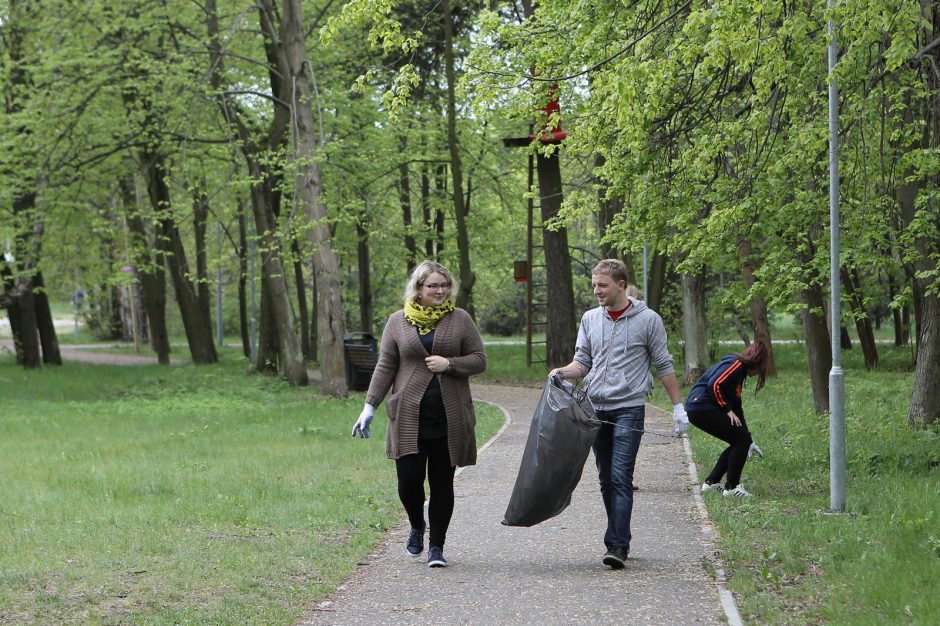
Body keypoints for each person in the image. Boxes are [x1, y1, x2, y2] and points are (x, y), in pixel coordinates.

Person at [550, 259, 688, 570]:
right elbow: (582, 362)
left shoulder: (649, 320)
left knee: (620, 476)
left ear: (621, 285)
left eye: (603, 285)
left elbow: (663, 364)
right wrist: (561, 373)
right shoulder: (589, 319)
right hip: (595, 408)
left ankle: (616, 544)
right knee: (604, 478)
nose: (596, 291)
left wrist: (678, 406)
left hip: (629, 408)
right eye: (594, 285)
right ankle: (620, 536)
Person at [351, 260, 487, 568]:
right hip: (409, 416)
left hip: (449, 417)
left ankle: (436, 547)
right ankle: (416, 525)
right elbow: (386, 365)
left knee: (442, 483)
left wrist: (450, 364)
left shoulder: (460, 319)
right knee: (408, 481)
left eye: (444, 286)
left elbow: (480, 360)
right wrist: (369, 406)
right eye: (433, 286)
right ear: (419, 289)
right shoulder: (397, 321)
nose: (440, 291)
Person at [685, 341, 771, 498]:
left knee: (740, 440)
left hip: (700, 409)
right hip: (701, 407)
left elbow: (737, 407)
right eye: (761, 369)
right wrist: (726, 409)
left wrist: (748, 438)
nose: (759, 373)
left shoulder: (739, 373)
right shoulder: (736, 365)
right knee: (740, 441)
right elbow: (715, 385)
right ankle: (732, 487)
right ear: (756, 362)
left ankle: (712, 483)